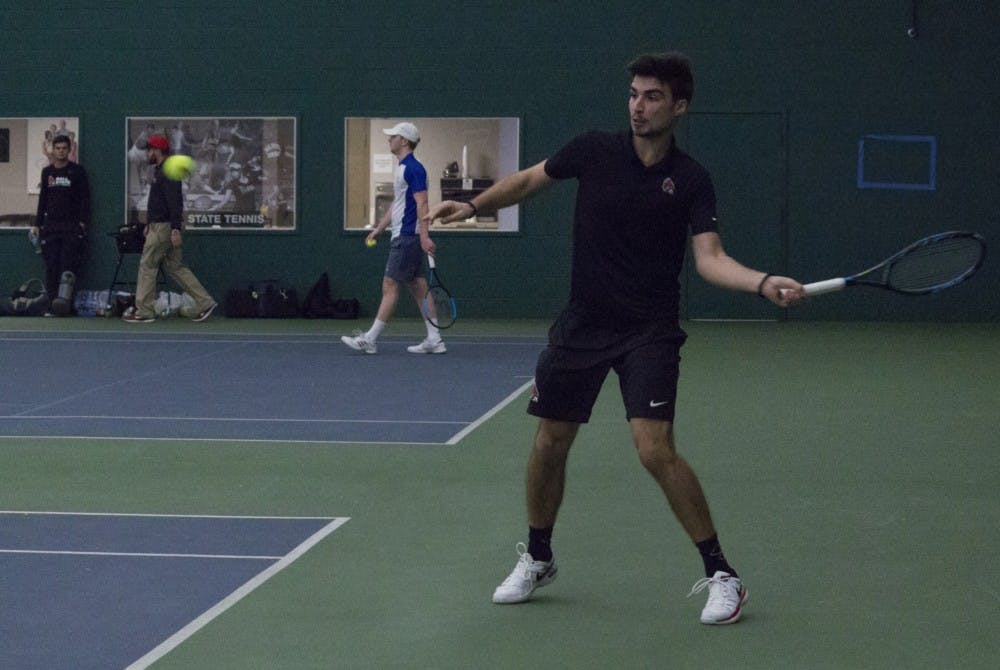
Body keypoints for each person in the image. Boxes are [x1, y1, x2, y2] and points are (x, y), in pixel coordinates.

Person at [424, 52, 805, 624]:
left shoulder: (692, 179)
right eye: (633, 94)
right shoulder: (594, 150)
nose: (638, 106)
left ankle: (722, 573)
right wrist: (475, 205)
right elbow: (530, 180)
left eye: (652, 96)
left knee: (654, 449)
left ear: (679, 106)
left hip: (648, 331)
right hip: (582, 324)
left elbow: (711, 259)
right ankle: (538, 556)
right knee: (550, 441)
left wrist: (762, 283)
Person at [341, 122, 445, 354]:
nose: (389, 140)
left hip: (408, 236)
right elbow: (398, 205)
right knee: (418, 286)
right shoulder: (402, 168)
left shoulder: (413, 169)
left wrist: (424, 237)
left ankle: (370, 339)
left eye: (393, 136)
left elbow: (423, 204)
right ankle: (435, 339)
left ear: (404, 141)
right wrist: (379, 228)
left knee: (389, 284)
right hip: (405, 234)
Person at [123, 134, 217, 323]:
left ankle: (144, 311)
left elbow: (175, 203)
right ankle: (205, 302)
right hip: (159, 226)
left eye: (149, 150)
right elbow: (159, 202)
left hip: (163, 229)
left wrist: (175, 229)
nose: (147, 153)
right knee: (175, 266)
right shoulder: (160, 171)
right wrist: (149, 223)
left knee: (147, 265)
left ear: (158, 151)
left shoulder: (168, 172)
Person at [33, 134, 90, 315]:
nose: (61, 151)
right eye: (57, 148)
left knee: (68, 266)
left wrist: (82, 222)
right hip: (51, 228)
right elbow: (43, 199)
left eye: (64, 148)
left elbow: (85, 199)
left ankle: (66, 305)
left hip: (71, 227)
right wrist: (37, 223)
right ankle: (51, 306)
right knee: (52, 267)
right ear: (53, 149)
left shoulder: (77, 171)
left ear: (69, 149)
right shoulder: (47, 172)